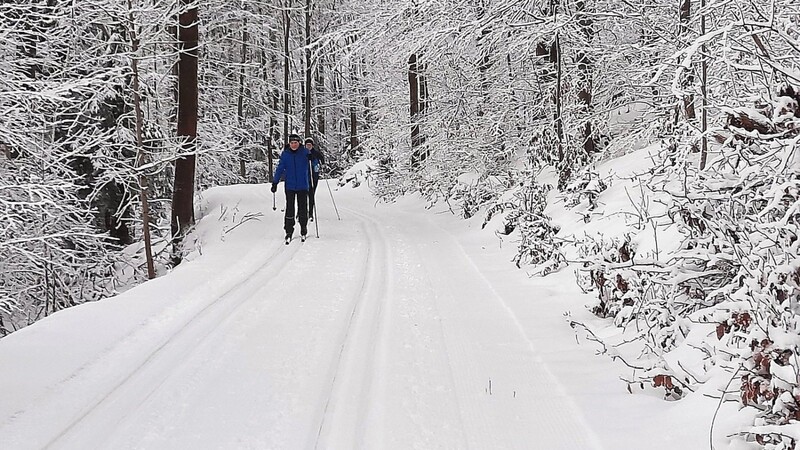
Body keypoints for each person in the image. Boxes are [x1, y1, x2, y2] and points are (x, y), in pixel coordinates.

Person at [271, 133, 311, 241]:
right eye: (292, 143)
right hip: (290, 185)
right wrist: (275, 182)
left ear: (299, 143)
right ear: (289, 143)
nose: (294, 145)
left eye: (296, 143)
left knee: (302, 208)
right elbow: (280, 168)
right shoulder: (286, 154)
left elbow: (314, 159)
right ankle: (289, 230)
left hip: (303, 185)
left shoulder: (305, 152)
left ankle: (303, 227)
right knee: (290, 208)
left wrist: (314, 157)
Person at [305, 137, 325, 221]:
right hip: (304, 177)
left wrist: (321, 164)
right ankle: (301, 212)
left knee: (311, 195)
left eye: (310, 145)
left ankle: (310, 213)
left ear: (312, 145)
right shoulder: (302, 153)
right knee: (303, 196)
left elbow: (322, 159)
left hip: (314, 177)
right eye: (307, 145)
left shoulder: (316, 153)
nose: (308, 146)